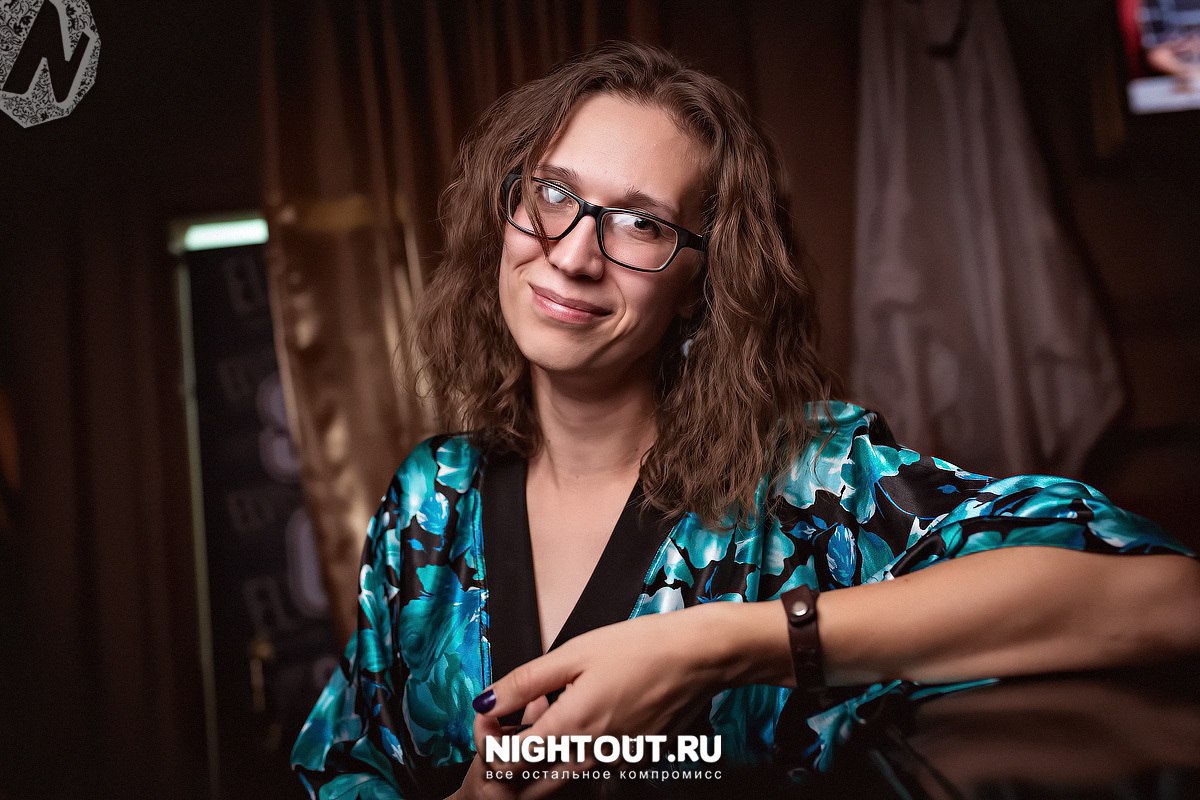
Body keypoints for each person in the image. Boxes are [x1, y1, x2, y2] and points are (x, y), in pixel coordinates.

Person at [291, 40, 1200, 800]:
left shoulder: (808, 483)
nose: (572, 255)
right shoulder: (429, 500)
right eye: (553, 194)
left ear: (701, 284)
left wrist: (722, 645)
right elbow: (345, 765)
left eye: (640, 224)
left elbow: (1168, 598)